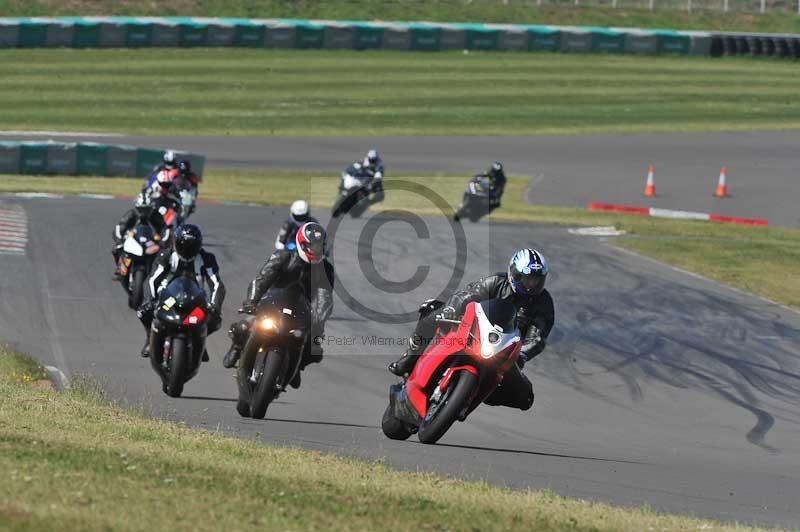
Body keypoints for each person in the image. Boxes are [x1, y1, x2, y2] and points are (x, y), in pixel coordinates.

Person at [388, 248, 554, 411]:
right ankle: (409, 358)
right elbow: (468, 295)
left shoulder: (544, 303)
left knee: (525, 398)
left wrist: (522, 355)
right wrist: (451, 309)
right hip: (473, 332)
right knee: (430, 312)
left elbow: (537, 338)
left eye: (537, 280)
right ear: (514, 274)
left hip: (505, 352)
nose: (531, 285)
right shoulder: (496, 282)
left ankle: (482, 394)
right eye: (526, 279)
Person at [222, 222, 335, 390]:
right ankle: (237, 347)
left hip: (301, 310)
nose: (314, 250)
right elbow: (261, 279)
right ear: (301, 243)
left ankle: (297, 367)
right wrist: (251, 302)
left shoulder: (326, 269)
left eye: (318, 247)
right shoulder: (283, 257)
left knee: (316, 348)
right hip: (271, 303)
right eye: (310, 246)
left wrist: (319, 320)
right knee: (243, 326)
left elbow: (325, 298)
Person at [136, 224, 225, 360]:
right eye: (183, 245)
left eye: (191, 246)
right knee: (143, 312)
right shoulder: (166, 255)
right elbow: (153, 280)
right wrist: (152, 299)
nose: (187, 249)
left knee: (215, 319)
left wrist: (215, 305)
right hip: (169, 298)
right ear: (176, 243)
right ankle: (150, 338)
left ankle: (200, 341)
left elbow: (216, 284)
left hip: (196, 299)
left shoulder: (207, 258)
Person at [111, 191, 171, 275]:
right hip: (133, 239)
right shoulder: (131, 214)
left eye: (146, 209)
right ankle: (120, 267)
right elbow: (120, 227)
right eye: (141, 209)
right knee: (116, 249)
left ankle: (161, 272)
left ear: (151, 207)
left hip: (151, 242)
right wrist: (119, 240)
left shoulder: (156, 215)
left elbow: (166, 229)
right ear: (137, 207)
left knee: (165, 254)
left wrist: (163, 241)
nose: (144, 213)